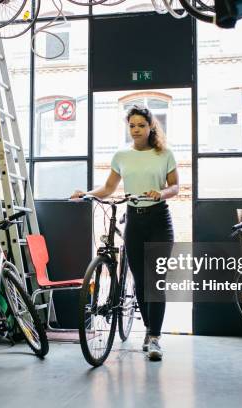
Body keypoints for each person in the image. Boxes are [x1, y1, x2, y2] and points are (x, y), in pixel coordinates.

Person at [71, 105, 179, 361]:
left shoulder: (164, 153)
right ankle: (148, 332)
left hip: (160, 221)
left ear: (151, 126)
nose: (136, 130)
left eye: (141, 125)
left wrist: (160, 192)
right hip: (135, 221)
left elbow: (175, 187)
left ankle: (154, 338)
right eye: (132, 125)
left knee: (155, 282)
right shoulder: (121, 155)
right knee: (141, 282)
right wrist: (86, 193)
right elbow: (109, 188)